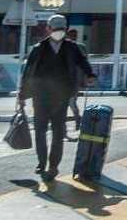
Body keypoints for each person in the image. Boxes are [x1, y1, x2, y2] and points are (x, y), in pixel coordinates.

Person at [16, 15, 97, 181]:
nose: (58, 32)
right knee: (40, 131)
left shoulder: (72, 47)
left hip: (61, 96)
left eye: (61, 29)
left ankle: (53, 165)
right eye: (55, 29)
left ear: (65, 30)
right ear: (48, 29)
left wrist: (90, 74)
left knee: (58, 133)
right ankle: (41, 162)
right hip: (40, 96)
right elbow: (28, 72)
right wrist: (22, 95)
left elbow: (82, 61)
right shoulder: (39, 48)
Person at [65, 28, 89, 139]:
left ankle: (77, 119)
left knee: (70, 102)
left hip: (72, 80)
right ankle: (77, 119)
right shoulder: (79, 47)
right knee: (71, 102)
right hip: (70, 80)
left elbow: (84, 63)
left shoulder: (73, 47)